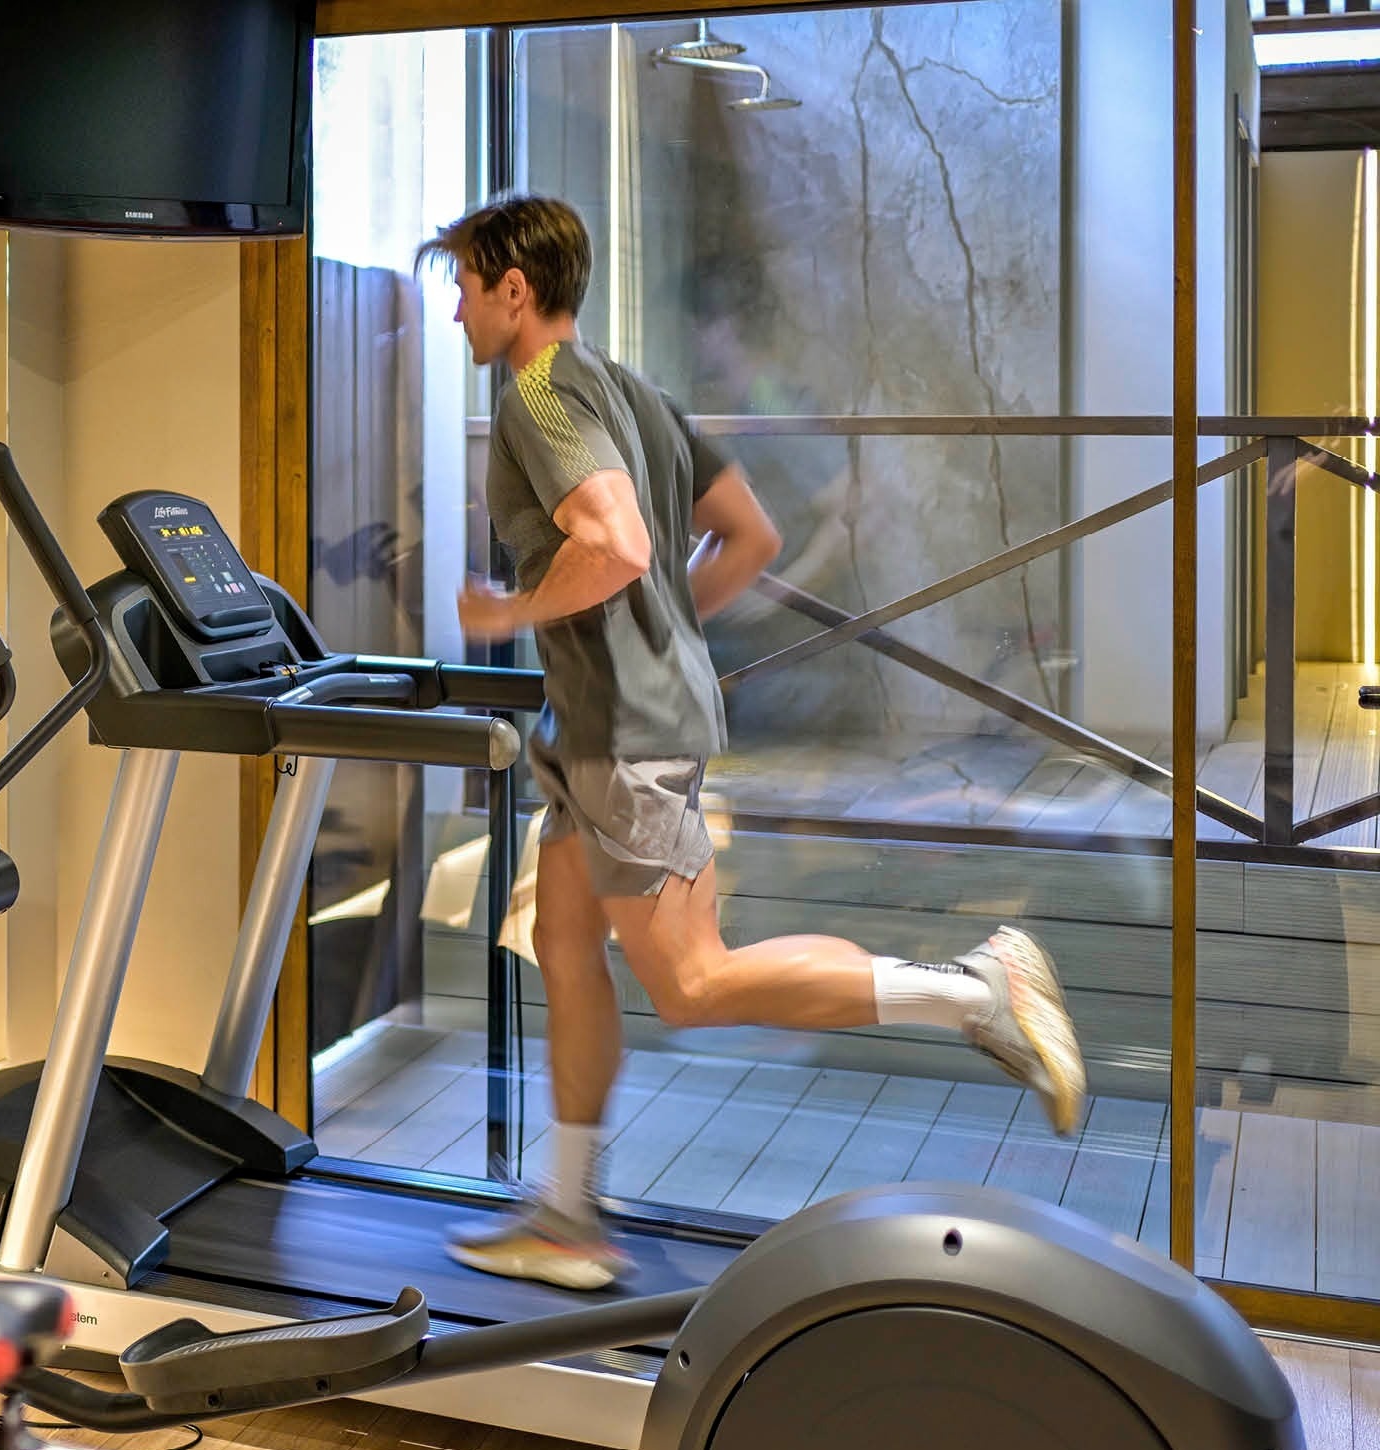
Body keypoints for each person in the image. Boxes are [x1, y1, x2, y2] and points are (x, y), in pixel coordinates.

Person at [423, 196, 1086, 1290]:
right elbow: (749, 536)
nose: (453, 310)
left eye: (462, 285)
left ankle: (976, 988)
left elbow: (619, 543)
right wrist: (661, 632)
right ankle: (566, 1212)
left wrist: (507, 612)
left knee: (690, 981)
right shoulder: (632, 393)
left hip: (621, 730)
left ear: (513, 289)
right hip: (592, 723)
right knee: (562, 949)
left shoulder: (538, 392)